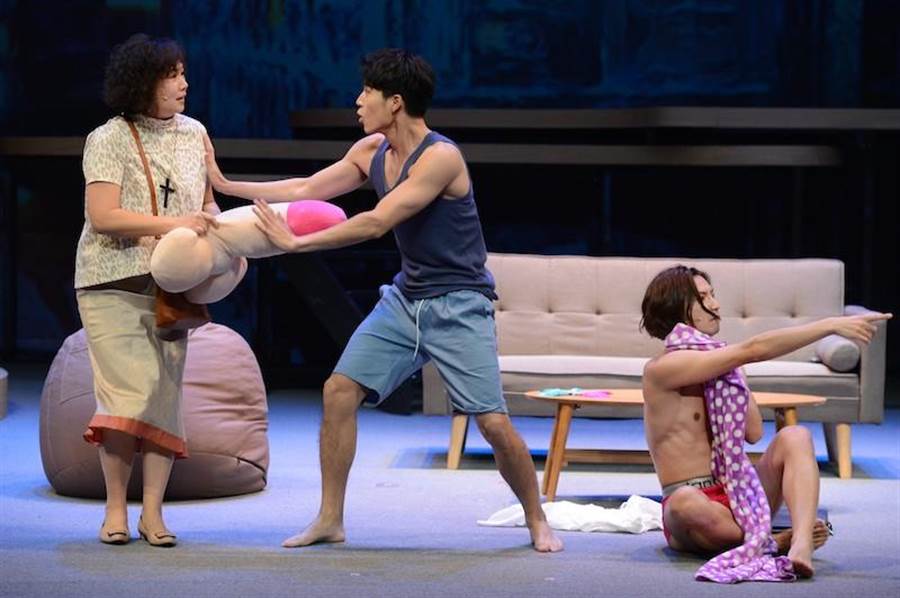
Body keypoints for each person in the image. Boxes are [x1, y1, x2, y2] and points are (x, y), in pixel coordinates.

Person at [205, 48, 562, 552]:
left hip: (460, 303)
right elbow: (307, 188)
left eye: (367, 92)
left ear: (395, 102)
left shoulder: (441, 158)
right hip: (405, 299)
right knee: (338, 391)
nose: (358, 101)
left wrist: (298, 244)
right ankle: (330, 518)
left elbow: (376, 221)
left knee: (492, 422)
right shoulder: (370, 150)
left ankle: (536, 518)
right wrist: (226, 185)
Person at [640, 265, 890, 580]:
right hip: (697, 507)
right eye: (704, 297)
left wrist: (734, 373)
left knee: (795, 436)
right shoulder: (662, 369)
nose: (716, 304)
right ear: (679, 308)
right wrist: (829, 325)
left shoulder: (723, 361)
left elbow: (753, 432)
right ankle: (771, 542)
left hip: (738, 495)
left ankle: (799, 542)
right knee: (683, 503)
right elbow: (754, 349)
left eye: (713, 294)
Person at [75, 33, 219, 546]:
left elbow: (207, 206)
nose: (184, 83)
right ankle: (115, 508)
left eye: (183, 73)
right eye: (171, 75)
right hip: (111, 281)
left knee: (162, 397)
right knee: (127, 394)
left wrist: (222, 247)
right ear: (143, 82)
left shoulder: (195, 133)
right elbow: (104, 216)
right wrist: (176, 224)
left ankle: (152, 513)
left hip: (173, 286)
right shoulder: (108, 137)